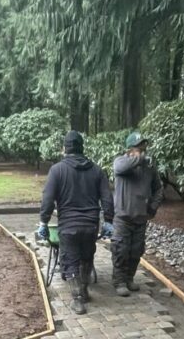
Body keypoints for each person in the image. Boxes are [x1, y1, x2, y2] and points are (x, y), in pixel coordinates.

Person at [37, 130, 114, 315]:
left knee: (70, 260)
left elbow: (48, 199)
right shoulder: (97, 170)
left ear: (65, 149)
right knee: (87, 257)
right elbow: (108, 198)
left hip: (68, 225)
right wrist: (108, 221)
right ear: (82, 148)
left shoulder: (57, 170)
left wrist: (43, 222)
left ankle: (78, 300)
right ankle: (84, 291)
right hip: (90, 225)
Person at [112, 130, 163, 295]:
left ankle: (129, 278)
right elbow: (120, 168)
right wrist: (139, 159)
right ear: (130, 150)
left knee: (136, 251)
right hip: (122, 217)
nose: (143, 151)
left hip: (141, 217)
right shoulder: (121, 162)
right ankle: (119, 281)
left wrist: (153, 207)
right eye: (139, 148)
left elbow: (158, 188)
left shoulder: (149, 168)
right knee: (121, 250)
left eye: (144, 148)